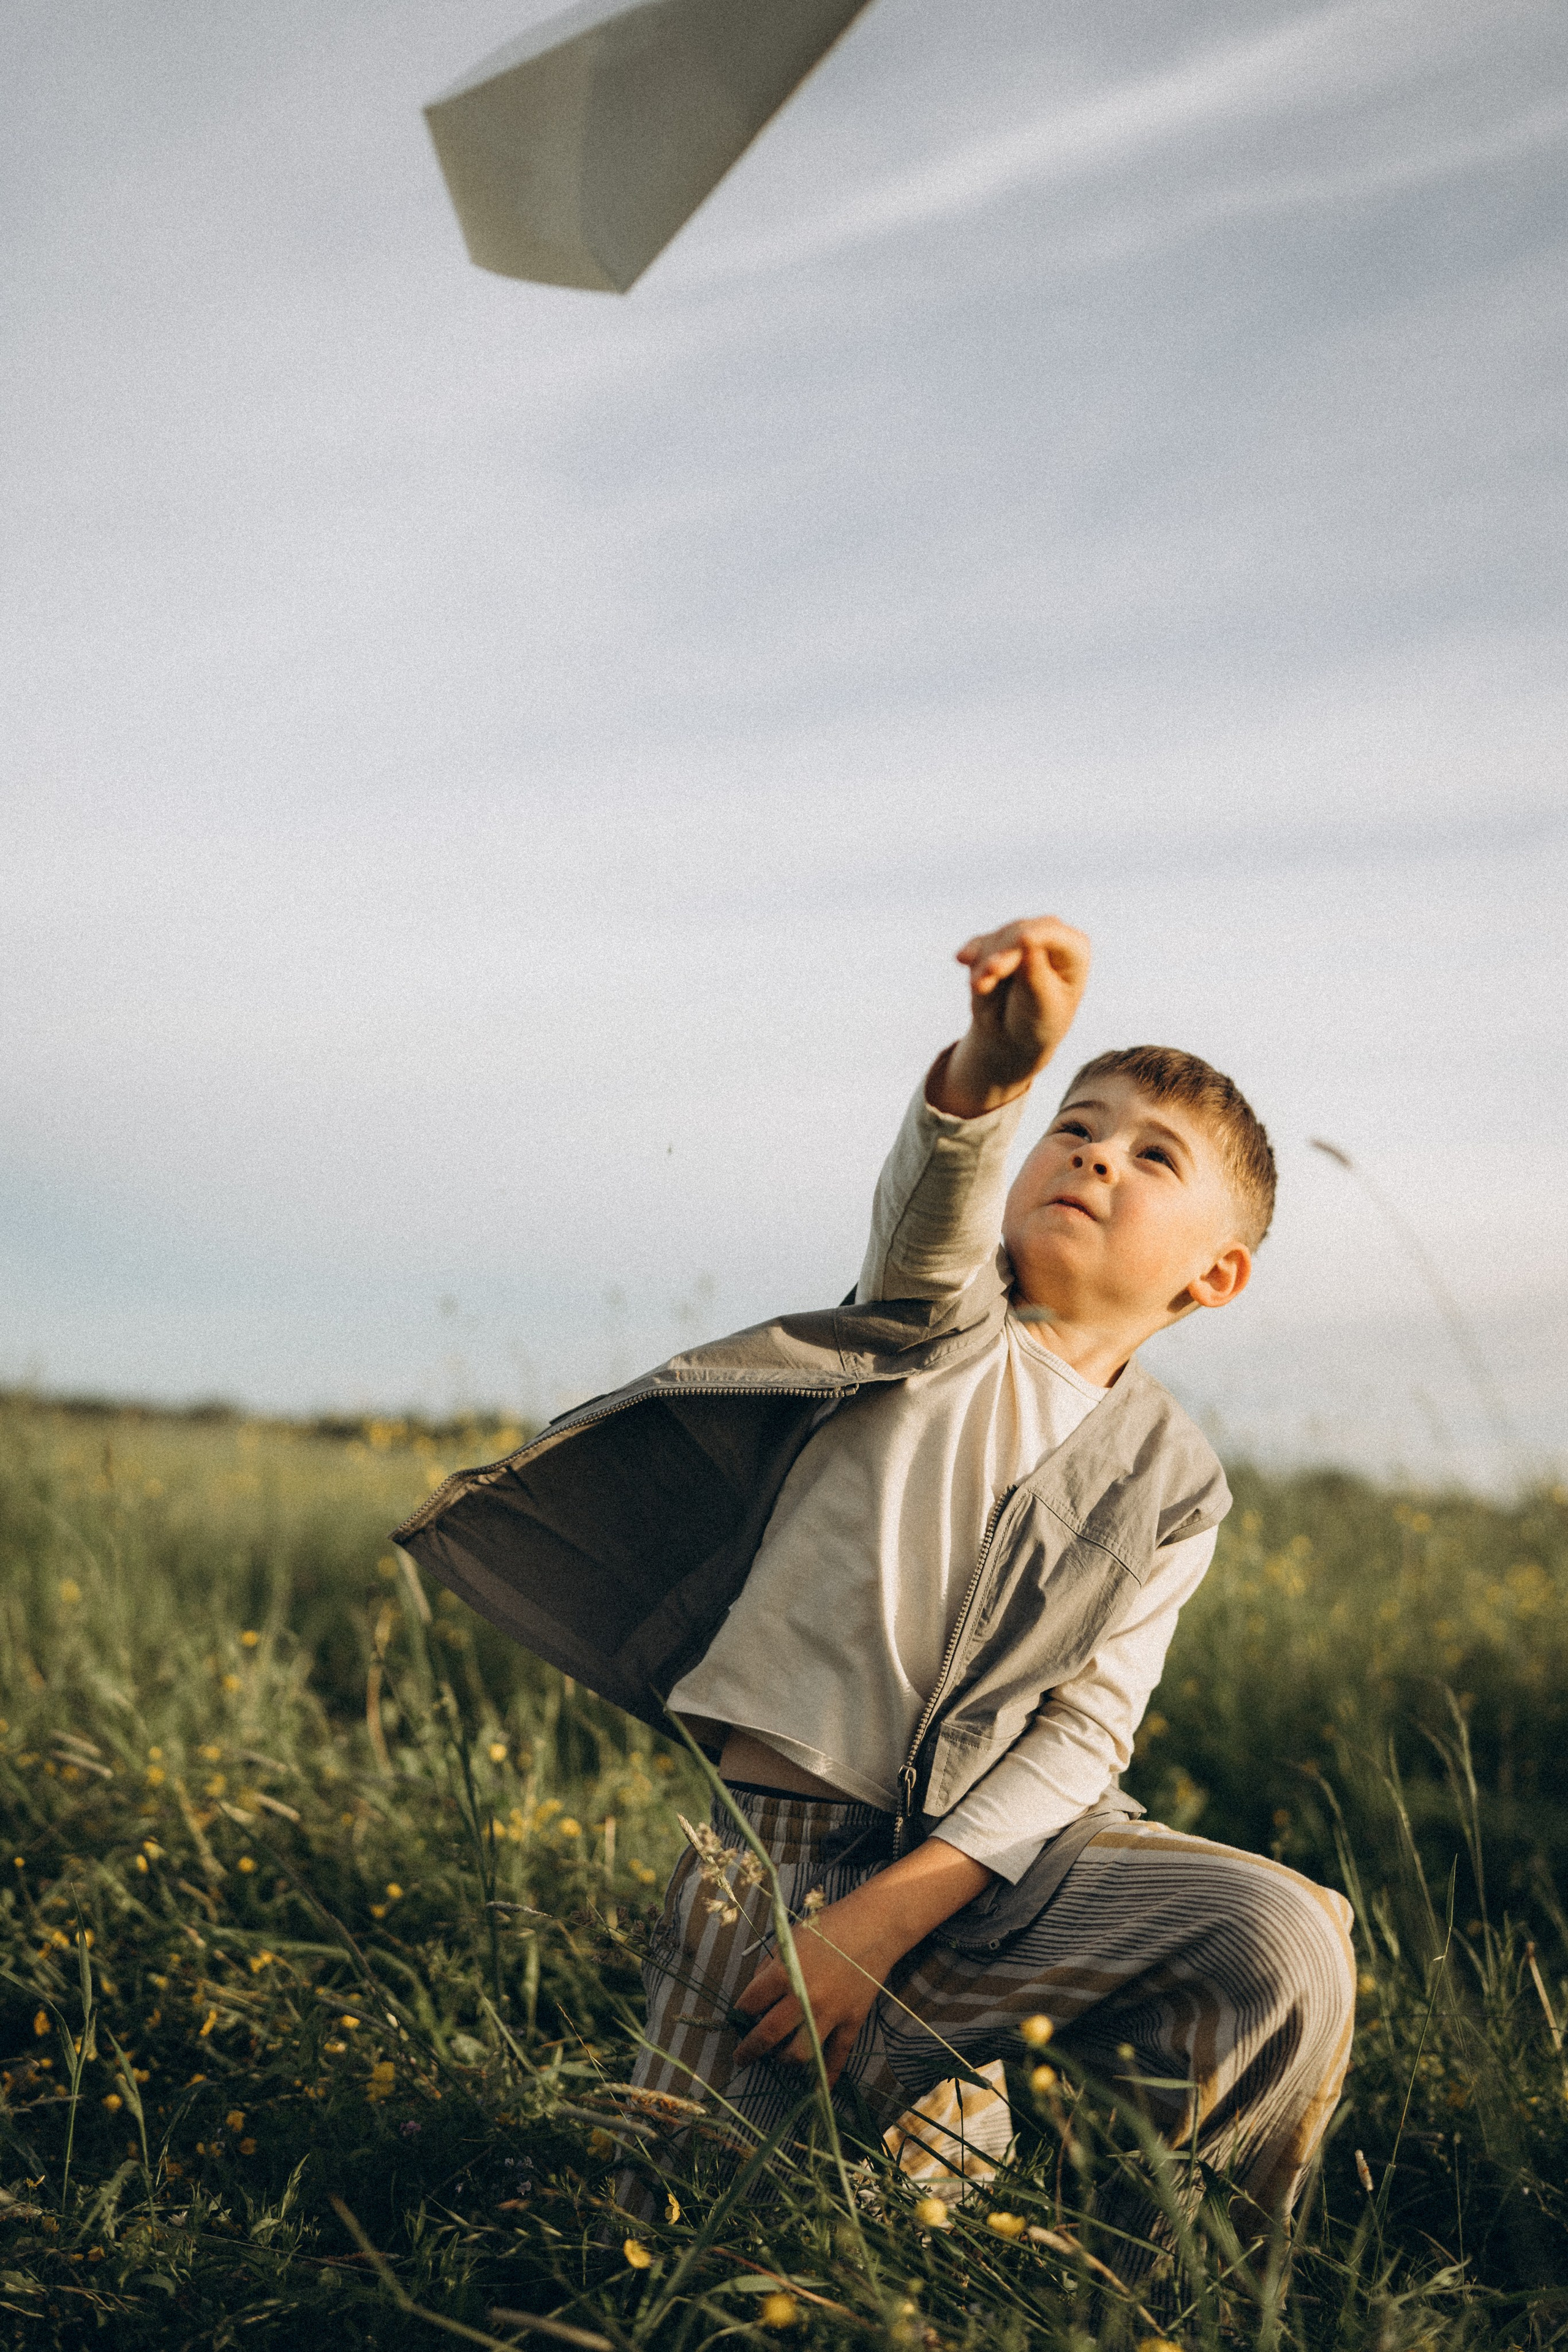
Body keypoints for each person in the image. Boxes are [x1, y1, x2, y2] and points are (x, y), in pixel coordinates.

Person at [391, 917, 1354, 2278]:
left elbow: (1084, 1737)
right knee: (704, 2255)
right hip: (773, 1865)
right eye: (1075, 1126)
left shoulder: (1177, 1483)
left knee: (1284, 1937)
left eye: (1153, 1156)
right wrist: (991, 1068)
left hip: (994, 1876)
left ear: (1215, 1275)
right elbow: (936, 1193)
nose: (1094, 1153)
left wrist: (896, 1911)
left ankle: (1166, 2289)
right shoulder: (934, 1320)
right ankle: (915, 2148)